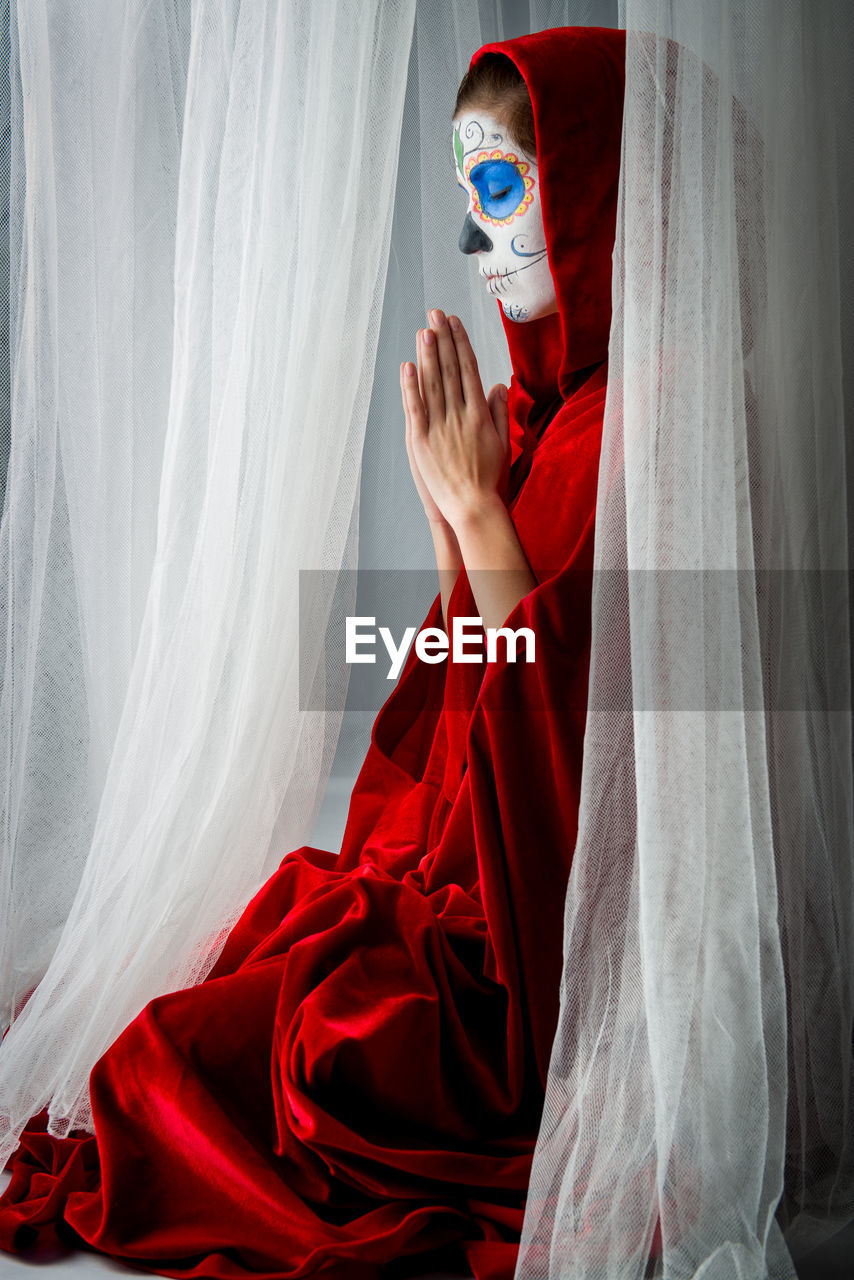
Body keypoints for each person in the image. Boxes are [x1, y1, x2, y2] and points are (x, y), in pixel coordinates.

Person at [0, 25, 627, 1280]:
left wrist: (484, 515)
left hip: (537, 956)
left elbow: (572, 788)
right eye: (468, 196)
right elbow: (470, 703)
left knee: (185, 1069)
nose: (471, 237)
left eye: (500, 188)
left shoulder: (631, 432)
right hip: (472, 870)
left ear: (592, 193)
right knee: (254, 946)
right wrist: (462, 526)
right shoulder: (550, 413)